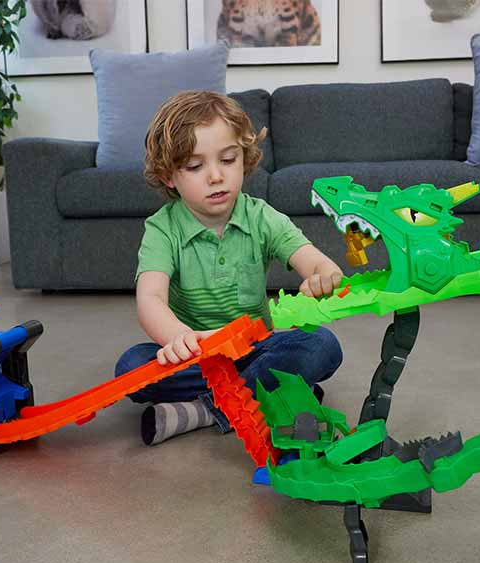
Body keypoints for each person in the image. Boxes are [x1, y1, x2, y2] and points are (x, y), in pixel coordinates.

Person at [115, 91, 344, 446]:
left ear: (244, 158)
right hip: (198, 355)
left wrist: (323, 274)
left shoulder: (262, 217)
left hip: (256, 349)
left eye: (227, 159)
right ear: (169, 176)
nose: (216, 176)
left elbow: (312, 260)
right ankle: (272, 393)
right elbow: (150, 299)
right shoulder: (163, 229)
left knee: (322, 346)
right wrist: (178, 337)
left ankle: (205, 410)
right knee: (131, 367)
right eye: (195, 167)